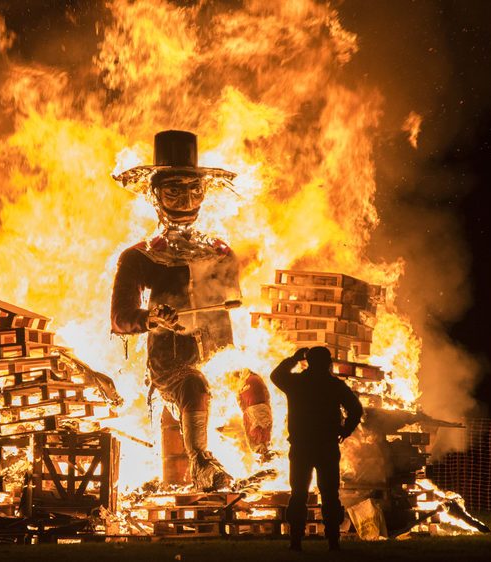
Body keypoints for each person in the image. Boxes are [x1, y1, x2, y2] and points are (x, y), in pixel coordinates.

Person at [111, 130, 252, 491]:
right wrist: (152, 318)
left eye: (194, 189)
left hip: (220, 357)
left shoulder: (221, 252)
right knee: (194, 384)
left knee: (253, 384)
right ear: (154, 195)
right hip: (172, 366)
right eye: (174, 190)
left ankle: (268, 460)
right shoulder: (139, 256)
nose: (186, 199)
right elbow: (120, 318)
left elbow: (232, 301)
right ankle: (203, 464)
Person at [270, 346, 363, 551]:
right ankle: (333, 541)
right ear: (328, 363)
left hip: (302, 445)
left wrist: (294, 359)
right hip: (326, 445)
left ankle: (295, 541)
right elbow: (356, 409)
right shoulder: (334, 386)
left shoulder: (296, 383)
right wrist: (345, 430)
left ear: (308, 362)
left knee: (299, 493)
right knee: (330, 493)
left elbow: (276, 375)